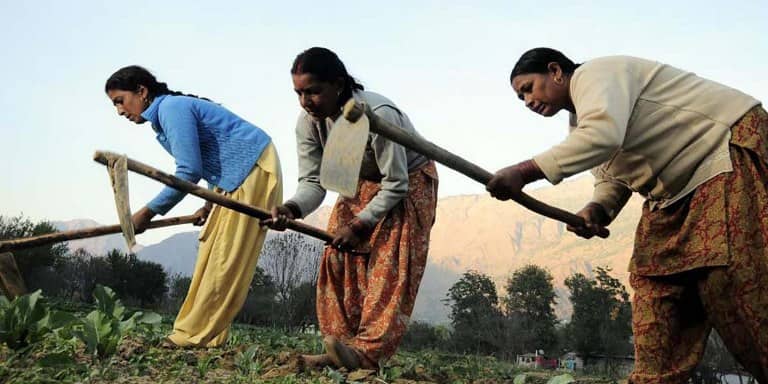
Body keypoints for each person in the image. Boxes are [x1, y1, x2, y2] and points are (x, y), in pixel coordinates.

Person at [486, 47, 768, 383]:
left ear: (555, 71)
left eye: (529, 88)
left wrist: (524, 171)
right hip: (669, 197)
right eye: (521, 98)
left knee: (733, 286)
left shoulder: (597, 76)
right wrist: (597, 210)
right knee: (654, 290)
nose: (528, 102)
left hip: (722, 154)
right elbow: (611, 179)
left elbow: (602, 138)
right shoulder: (582, 124)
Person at [268, 47, 439, 370]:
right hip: (359, 182)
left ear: (338, 84)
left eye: (314, 92)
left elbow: (396, 183)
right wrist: (291, 208)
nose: (306, 101)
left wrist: (362, 224)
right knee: (337, 255)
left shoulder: (378, 114)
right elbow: (314, 181)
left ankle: (367, 354)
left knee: (389, 267)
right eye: (299, 93)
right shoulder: (309, 123)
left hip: (406, 183)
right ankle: (343, 347)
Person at [104, 66, 282, 347]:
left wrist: (148, 211)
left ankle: (191, 335)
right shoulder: (164, 117)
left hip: (252, 167)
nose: (119, 111)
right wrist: (209, 205)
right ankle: (206, 334)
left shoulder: (172, 109)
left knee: (225, 257)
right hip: (232, 176)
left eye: (120, 100)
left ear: (141, 91)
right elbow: (215, 159)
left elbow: (189, 171)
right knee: (212, 249)